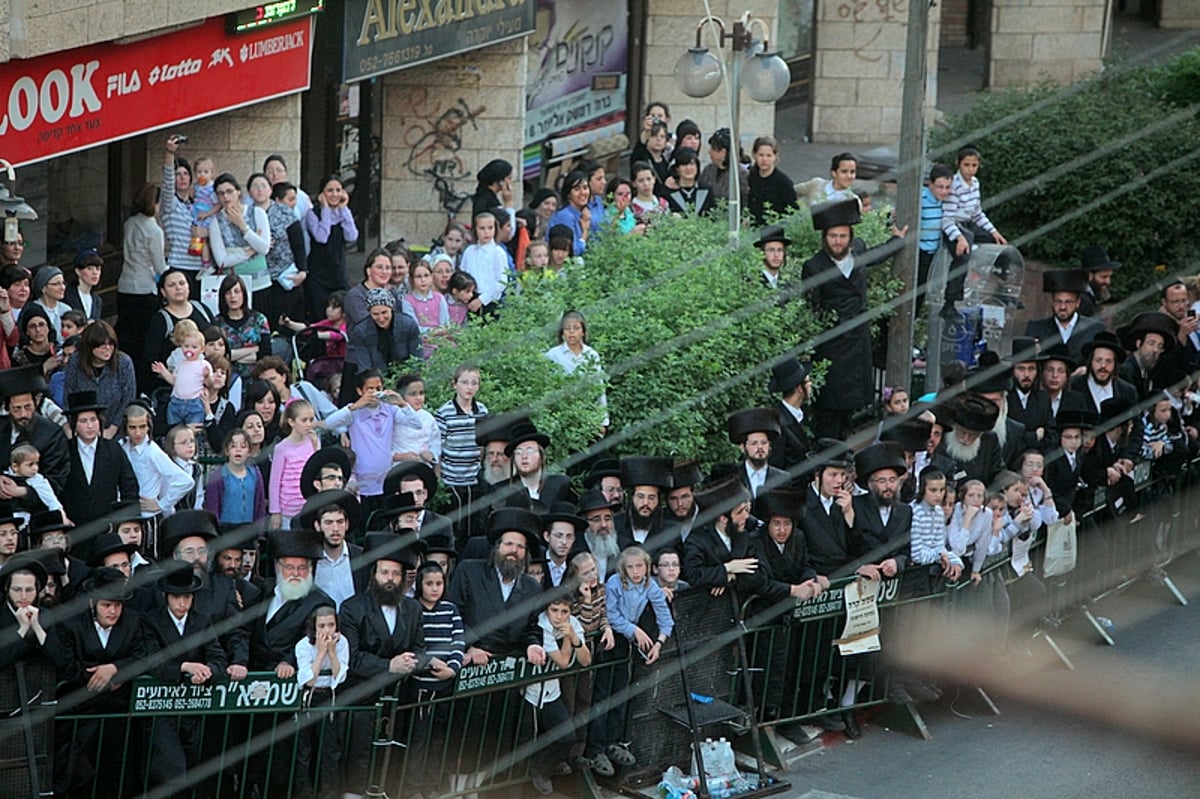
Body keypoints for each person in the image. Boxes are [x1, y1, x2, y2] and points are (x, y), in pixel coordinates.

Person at [802, 198, 908, 438]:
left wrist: (897, 240)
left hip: (858, 343)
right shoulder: (813, 266)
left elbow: (876, 255)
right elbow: (811, 308)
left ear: (850, 236)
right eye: (832, 236)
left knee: (850, 408)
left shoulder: (858, 250)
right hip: (832, 346)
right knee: (829, 409)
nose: (837, 241)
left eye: (842, 236)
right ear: (824, 238)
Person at [338, 532, 428, 788]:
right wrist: (389, 666)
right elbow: (351, 658)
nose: (390, 579)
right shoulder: (352, 608)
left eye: (396, 574)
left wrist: (413, 662)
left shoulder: (413, 609)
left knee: (394, 757)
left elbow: (420, 649)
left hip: (400, 697)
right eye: (385, 572)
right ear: (374, 575)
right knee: (360, 758)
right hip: (363, 697)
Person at [580, 545, 671, 776]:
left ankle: (613, 742)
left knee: (620, 692)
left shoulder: (650, 585)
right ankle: (595, 748)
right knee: (602, 695)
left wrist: (658, 643)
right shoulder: (614, 583)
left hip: (625, 643)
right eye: (631, 567)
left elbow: (665, 618)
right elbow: (611, 615)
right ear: (624, 568)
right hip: (609, 638)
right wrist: (635, 631)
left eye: (640, 566)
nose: (636, 571)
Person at [139, 560, 228, 797]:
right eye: (177, 597)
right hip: (162, 708)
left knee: (194, 770)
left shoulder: (201, 621)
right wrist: (185, 667)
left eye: (187, 597)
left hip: (193, 710)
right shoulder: (150, 620)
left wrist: (207, 671)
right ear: (167, 596)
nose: (182, 603)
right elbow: (150, 661)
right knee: (171, 770)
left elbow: (218, 658)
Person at [320, 370, 421, 519]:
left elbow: (416, 423)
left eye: (379, 389)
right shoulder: (354, 412)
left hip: (386, 478)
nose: (375, 393)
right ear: (360, 390)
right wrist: (354, 406)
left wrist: (402, 403)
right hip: (363, 482)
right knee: (365, 521)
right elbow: (328, 424)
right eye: (370, 389)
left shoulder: (391, 410)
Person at [523, 590, 592, 795]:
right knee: (524, 741)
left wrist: (572, 635)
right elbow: (563, 661)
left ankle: (540, 770)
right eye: (555, 610)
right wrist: (569, 639)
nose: (559, 616)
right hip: (529, 692)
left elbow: (586, 660)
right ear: (547, 610)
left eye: (564, 611)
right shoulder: (541, 625)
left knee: (566, 736)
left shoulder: (571, 624)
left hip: (551, 691)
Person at [293, 604, 348, 799]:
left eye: (331, 625)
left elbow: (340, 675)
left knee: (330, 750)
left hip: (329, 697)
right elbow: (308, 678)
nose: (327, 630)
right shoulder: (303, 645)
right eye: (322, 626)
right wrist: (321, 653)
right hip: (309, 698)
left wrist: (332, 653)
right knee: (304, 750)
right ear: (314, 627)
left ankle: (329, 794)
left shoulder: (342, 643)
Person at [941, 145, 1007, 305]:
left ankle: (1002, 290)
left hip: (969, 224)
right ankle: (950, 301)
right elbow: (947, 218)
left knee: (1001, 248)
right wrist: (959, 237)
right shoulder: (954, 185)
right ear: (958, 164)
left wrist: (994, 231)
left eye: (974, 165)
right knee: (962, 255)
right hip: (955, 226)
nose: (970, 169)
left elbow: (977, 213)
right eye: (966, 165)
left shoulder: (975, 183)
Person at [118, 182, 169, 371]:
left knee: (126, 335)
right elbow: (159, 266)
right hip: (144, 287)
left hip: (124, 284)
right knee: (142, 338)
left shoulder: (129, 223)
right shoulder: (154, 231)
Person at [435, 364, 489, 539]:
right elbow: (438, 449)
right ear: (454, 384)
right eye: (465, 382)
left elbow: (483, 444)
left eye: (474, 383)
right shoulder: (444, 413)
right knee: (456, 525)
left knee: (475, 524)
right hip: (452, 478)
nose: (469, 387)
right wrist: (439, 478)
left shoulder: (482, 411)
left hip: (474, 478)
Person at [140, 267, 215, 393]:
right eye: (171, 285)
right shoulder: (160, 320)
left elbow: (217, 338)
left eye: (182, 283)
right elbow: (151, 359)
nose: (178, 288)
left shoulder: (201, 308)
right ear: (163, 292)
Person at [0, 366, 71, 496]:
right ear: (7, 407)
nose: (23, 414)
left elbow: (56, 481)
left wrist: (22, 491)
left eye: (28, 407)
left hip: (36, 509)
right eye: (16, 409)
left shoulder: (52, 435)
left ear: (36, 403)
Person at [61, 321, 134, 439]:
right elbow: (68, 397)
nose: (107, 349)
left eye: (111, 344)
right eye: (102, 345)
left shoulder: (124, 362)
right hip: (82, 431)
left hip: (115, 431)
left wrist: (112, 429)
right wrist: (75, 427)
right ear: (90, 346)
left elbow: (128, 398)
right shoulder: (75, 362)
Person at [120, 402, 194, 516]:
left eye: (142, 426)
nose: (138, 432)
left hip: (147, 515)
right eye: (132, 427)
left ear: (149, 426)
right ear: (126, 427)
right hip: (125, 512)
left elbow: (185, 481)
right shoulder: (121, 446)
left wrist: (161, 504)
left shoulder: (152, 451)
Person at [1023, 269, 1105, 365]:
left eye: (1068, 302)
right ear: (1052, 302)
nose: (1062, 307)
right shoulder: (1035, 328)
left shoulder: (1094, 329)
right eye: (1058, 301)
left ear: (1078, 302)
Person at [208, 172, 272, 295]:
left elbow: (264, 248)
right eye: (221, 193)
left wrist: (243, 226)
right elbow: (222, 261)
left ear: (238, 191)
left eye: (229, 191)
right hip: (234, 286)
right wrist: (250, 251)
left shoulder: (257, 213)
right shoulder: (216, 223)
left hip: (260, 282)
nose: (226, 196)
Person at [305, 175, 358, 320]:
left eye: (338, 190)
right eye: (330, 190)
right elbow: (321, 237)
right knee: (320, 315)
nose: (334, 194)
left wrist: (344, 208)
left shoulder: (343, 212)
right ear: (322, 193)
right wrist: (326, 209)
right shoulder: (313, 213)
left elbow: (352, 236)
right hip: (318, 275)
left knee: (343, 314)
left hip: (338, 272)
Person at [258, 180, 309, 330]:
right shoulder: (248, 213)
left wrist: (303, 271)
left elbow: (298, 245)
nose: (294, 204)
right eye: (290, 199)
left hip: (285, 275)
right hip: (261, 277)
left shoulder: (287, 215)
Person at [344, 288, 424, 377]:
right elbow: (364, 368)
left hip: (405, 376)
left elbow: (417, 360)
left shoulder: (409, 325)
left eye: (384, 312)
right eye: (375, 314)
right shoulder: (361, 331)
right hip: (377, 379)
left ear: (391, 309)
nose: (381, 318)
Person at [727, 407, 790, 515]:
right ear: (743, 447)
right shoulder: (732, 477)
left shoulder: (782, 478)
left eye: (764, 442)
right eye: (754, 443)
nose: (760, 447)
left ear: (769, 446)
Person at [935, 392, 1005, 487]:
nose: (966, 439)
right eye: (962, 432)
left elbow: (997, 473)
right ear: (954, 426)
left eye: (973, 435)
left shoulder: (989, 441)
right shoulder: (940, 438)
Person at [159, 137, 205, 280]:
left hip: (200, 266)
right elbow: (167, 183)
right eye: (177, 174)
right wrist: (170, 154)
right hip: (179, 265)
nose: (182, 178)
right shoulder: (170, 203)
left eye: (185, 174)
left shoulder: (196, 204)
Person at [269, 399, 320, 529]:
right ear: (291, 422)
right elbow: (275, 482)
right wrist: (275, 512)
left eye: (311, 420)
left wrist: (316, 446)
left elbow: (318, 469)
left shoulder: (313, 442)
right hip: (288, 509)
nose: (308, 424)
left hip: (309, 506)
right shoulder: (282, 448)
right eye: (304, 420)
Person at [151, 319, 212, 425]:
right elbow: (174, 382)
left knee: (193, 431)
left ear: (202, 349)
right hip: (176, 402)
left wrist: (207, 376)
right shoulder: (181, 364)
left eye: (194, 347)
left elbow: (209, 384)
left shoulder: (204, 364)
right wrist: (164, 371)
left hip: (194, 403)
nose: (190, 350)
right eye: (186, 346)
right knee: (175, 431)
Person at [1069, 330, 1139, 417]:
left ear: (1115, 364)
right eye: (1098, 360)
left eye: (1108, 361)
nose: (1103, 366)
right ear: (1090, 361)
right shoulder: (1074, 387)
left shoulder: (1128, 392)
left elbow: (1136, 426)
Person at [205, 428, 267, 525]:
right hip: (225, 531)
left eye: (243, 446)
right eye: (233, 446)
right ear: (226, 450)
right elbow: (212, 508)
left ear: (249, 451)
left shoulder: (255, 474)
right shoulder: (217, 477)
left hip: (248, 530)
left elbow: (260, 505)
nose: (238, 450)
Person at [214, 274, 272, 378]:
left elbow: (265, 354)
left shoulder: (259, 319)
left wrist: (232, 356)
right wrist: (254, 349)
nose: (233, 296)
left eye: (237, 291)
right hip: (227, 379)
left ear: (244, 294)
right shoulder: (217, 322)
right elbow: (219, 356)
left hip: (256, 379)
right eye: (228, 292)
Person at [1117, 311, 1176, 403]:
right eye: (1151, 343)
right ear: (1139, 343)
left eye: (1160, 346)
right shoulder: (1125, 371)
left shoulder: (1148, 371)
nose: (1155, 350)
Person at [747, 136, 798, 227]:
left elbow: (792, 212)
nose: (764, 159)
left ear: (775, 157)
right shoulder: (751, 177)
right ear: (754, 155)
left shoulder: (784, 183)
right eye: (761, 155)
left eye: (768, 155)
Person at [344, 248, 398, 331]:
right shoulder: (355, 295)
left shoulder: (393, 293)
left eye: (388, 268)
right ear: (368, 270)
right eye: (379, 267)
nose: (384, 272)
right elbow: (368, 325)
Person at [664, 148, 715, 216]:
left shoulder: (706, 191)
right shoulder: (667, 193)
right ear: (677, 169)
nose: (688, 168)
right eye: (684, 164)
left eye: (692, 164)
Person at [1076, 245, 1119, 318]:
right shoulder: (1083, 301)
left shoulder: (1088, 297)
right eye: (1104, 277)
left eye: (1109, 277)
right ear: (1089, 275)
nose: (1108, 282)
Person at [755, 224, 791, 290]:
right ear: (762, 253)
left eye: (780, 250)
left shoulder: (787, 286)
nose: (776, 255)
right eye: (771, 250)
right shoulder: (753, 283)